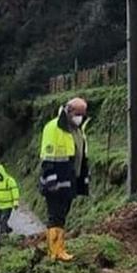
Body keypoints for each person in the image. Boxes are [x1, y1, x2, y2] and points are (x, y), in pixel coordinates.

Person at [39, 97, 91, 260]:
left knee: (62, 215)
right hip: (55, 182)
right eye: (77, 113)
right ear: (68, 111)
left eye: (82, 114)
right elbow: (47, 158)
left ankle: (59, 248)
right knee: (55, 215)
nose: (80, 117)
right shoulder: (54, 128)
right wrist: (51, 181)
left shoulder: (77, 129)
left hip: (69, 180)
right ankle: (55, 251)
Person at [0, 162, 20, 239]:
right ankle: (7, 229)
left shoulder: (10, 181)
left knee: (3, 220)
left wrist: (15, 202)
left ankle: (2, 235)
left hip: (8, 205)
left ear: (2, 173)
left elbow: (15, 191)